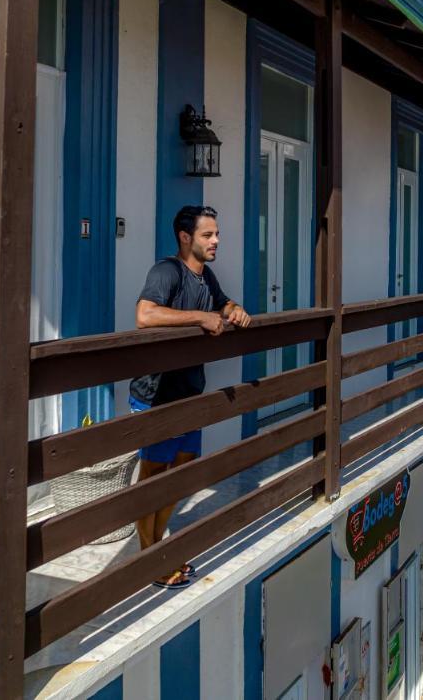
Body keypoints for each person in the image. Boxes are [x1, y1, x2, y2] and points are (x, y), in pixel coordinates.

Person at [131, 205, 251, 589]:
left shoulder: (205, 276)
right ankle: (152, 561)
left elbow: (221, 302)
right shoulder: (167, 271)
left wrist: (233, 310)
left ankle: (156, 551)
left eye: (216, 234)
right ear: (186, 238)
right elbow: (145, 315)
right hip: (157, 394)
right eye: (207, 235)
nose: (216, 241)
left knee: (182, 471)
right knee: (153, 477)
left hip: (188, 393)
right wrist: (199, 318)